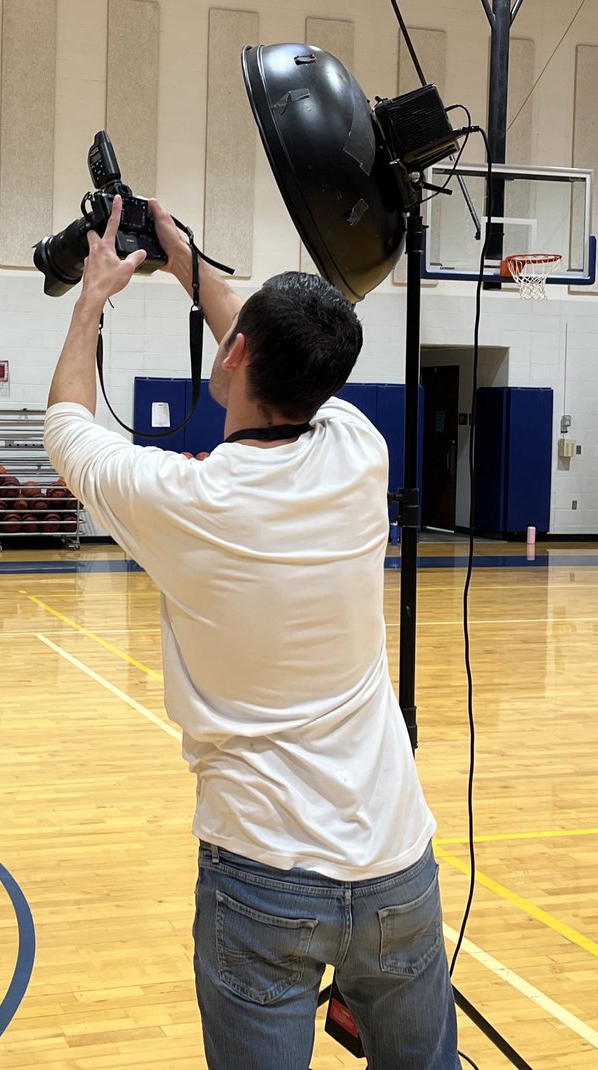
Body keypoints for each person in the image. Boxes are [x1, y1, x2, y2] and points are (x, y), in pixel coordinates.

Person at [42, 197, 458, 1070]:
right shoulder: (359, 447)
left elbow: (67, 429)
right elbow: (267, 349)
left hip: (263, 867)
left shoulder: (184, 502)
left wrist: (93, 298)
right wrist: (190, 265)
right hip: (396, 859)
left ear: (235, 357)